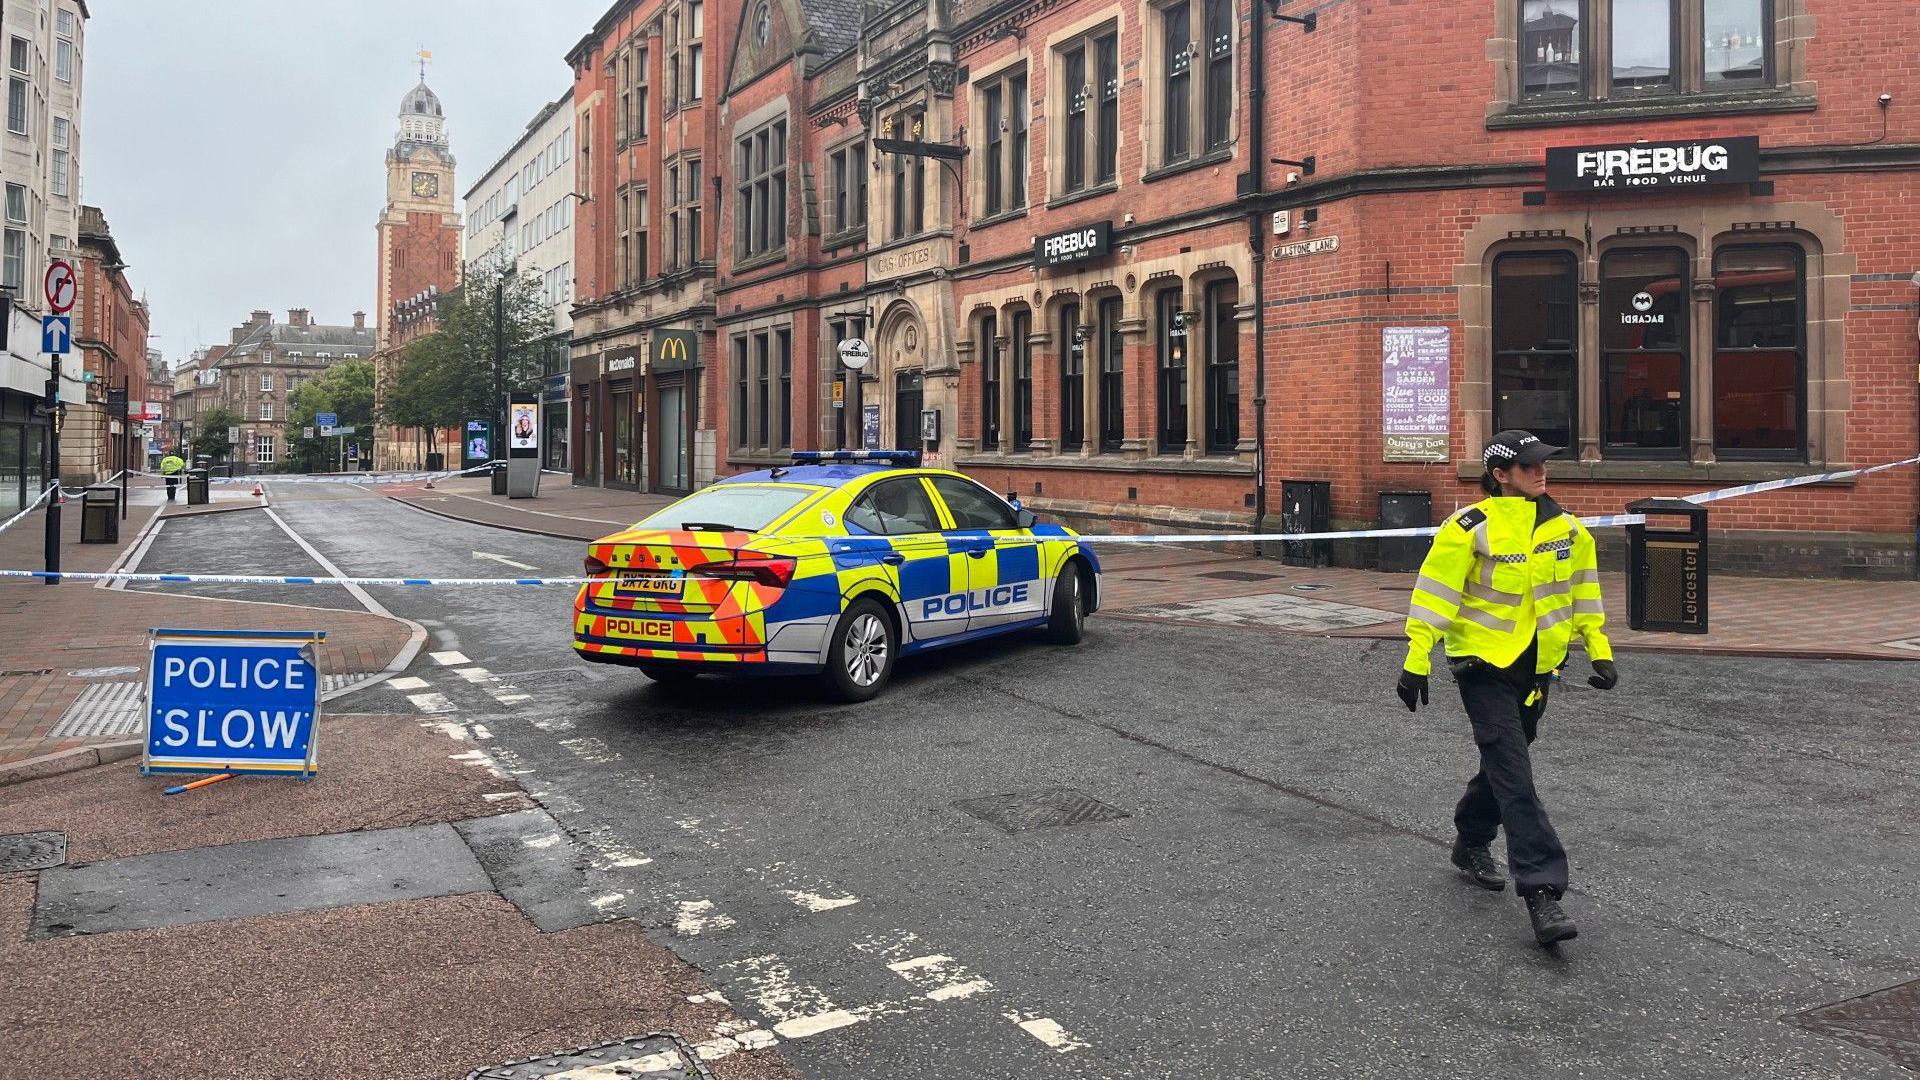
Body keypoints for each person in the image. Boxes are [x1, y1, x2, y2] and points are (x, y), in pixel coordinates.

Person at [1395, 429, 1617, 947]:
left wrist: (1600, 649)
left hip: (1538, 668)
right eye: (1529, 466)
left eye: (1544, 465)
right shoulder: (1468, 528)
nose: (1541, 472)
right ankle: (1543, 891)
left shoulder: (1568, 530)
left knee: (1503, 765)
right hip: (1482, 665)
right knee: (1515, 773)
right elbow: (1434, 596)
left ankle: (1470, 839)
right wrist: (1416, 659)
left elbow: (1583, 593)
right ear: (1500, 475)